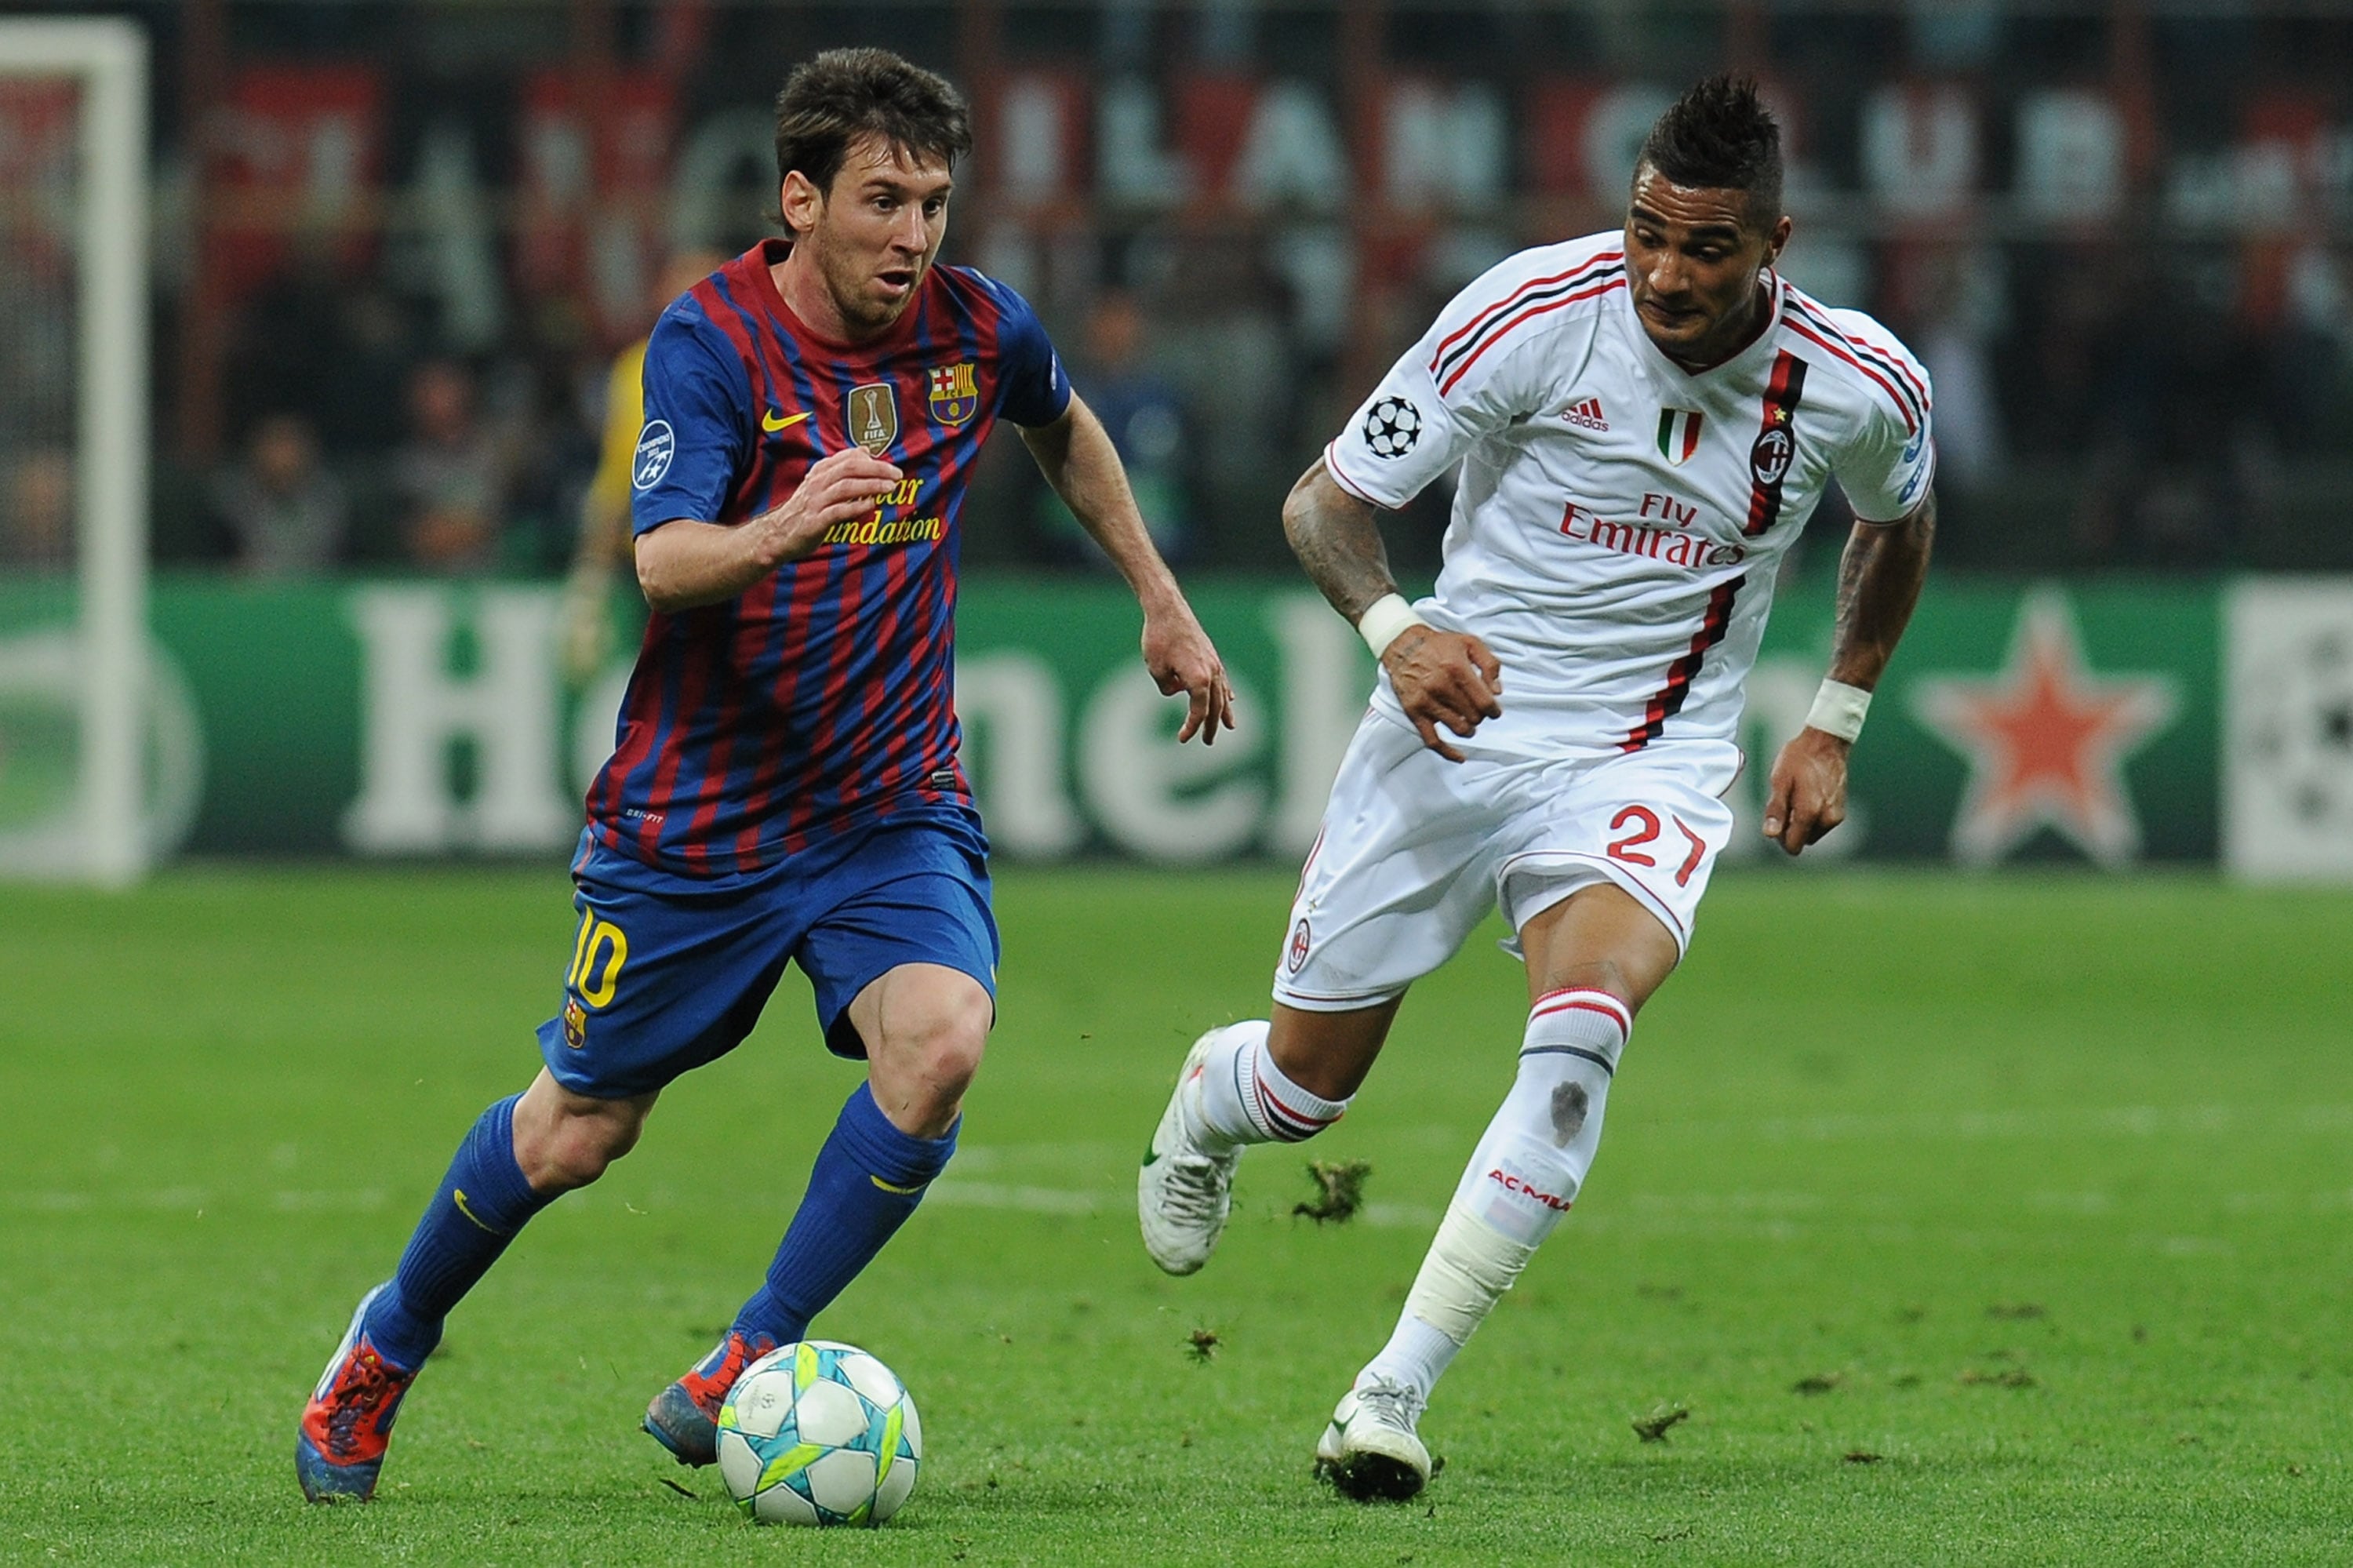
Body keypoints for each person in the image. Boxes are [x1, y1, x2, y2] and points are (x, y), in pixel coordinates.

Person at [297, 47, 1234, 1503]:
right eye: (881, 201)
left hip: (889, 804)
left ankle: (746, 1357)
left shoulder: (976, 326)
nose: (913, 235)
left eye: (933, 201)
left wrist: (1160, 599)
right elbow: (665, 562)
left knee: (943, 1041)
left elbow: (1064, 426)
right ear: (800, 198)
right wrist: (790, 524)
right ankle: (386, 1341)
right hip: (702, 824)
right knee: (578, 1129)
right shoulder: (711, 342)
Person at [1136, 75, 1936, 1501]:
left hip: (1651, 756)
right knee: (1306, 1088)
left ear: (1774, 244)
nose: (1665, 275)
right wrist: (1401, 633)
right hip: (1455, 724)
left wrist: (1838, 712)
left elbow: (1901, 511)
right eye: (1646, 234)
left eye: (1705, 249)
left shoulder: (1855, 381)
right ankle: (1213, 1096)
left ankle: (1391, 1389)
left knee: (1581, 1038)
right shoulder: (1529, 311)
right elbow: (1326, 503)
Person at [558, 249, 729, 686]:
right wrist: (589, 585)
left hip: (742, 562)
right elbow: (618, 480)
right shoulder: (637, 368)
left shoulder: (760, 366)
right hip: (664, 567)